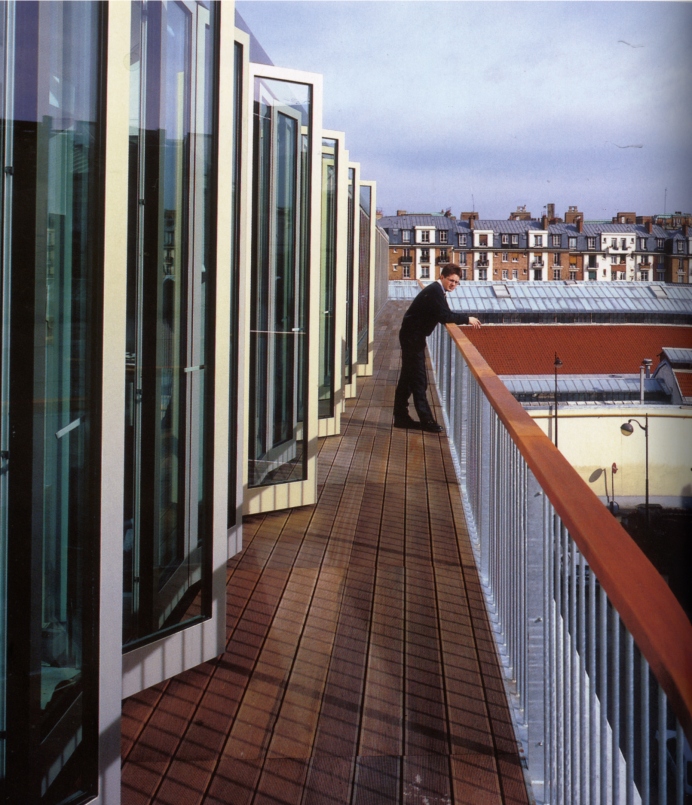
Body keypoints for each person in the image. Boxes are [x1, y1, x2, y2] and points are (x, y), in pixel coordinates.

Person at [393, 263, 481, 433]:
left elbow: (444, 312)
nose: (453, 284)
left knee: (407, 378)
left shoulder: (436, 290)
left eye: (457, 282)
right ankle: (427, 421)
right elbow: (445, 316)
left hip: (412, 336)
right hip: (413, 338)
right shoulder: (434, 292)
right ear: (442, 277)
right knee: (419, 380)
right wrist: (467, 319)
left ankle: (401, 417)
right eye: (451, 280)